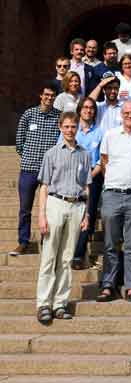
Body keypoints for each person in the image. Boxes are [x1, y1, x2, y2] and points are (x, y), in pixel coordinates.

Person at [93, 101, 131, 303]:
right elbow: (104, 160)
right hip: (112, 194)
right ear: (121, 114)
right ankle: (108, 285)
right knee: (110, 243)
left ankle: (130, 286)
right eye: (127, 112)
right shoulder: (110, 134)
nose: (130, 115)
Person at [34, 112, 91, 323]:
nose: (70, 130)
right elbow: (44, 187)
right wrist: (41, 215)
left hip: (76, 205)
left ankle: (60, 303)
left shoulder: (84, 154)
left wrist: (87, 213)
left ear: (77, 128)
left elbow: (87, 186)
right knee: (50, 256)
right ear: (60, 127)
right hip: (55, 203)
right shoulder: (51, 154)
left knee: (66, 258)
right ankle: (43, 303)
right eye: (66, 126)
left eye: (73, 126)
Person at [12, 84, 61, 256]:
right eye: (46, 95)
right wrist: (28, 155)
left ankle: (45, 241)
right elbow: (19, 141)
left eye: (52, 95)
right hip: (29, 169)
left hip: (50, 172)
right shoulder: (29, 114)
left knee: (48, 209)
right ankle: (23, 242)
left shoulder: (58, 117)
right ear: (41, 95)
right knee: (25, 208)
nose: (49, 98)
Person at [71, 97, 105, 270]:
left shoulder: (100, 133)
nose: (88, 110)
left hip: (92, 177)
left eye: (92, 108)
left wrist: (90, 177)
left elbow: (102, 159)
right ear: (79, 109)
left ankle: (78, 255)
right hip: (70, 177)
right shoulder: (71, 129)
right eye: (85, 107)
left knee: (88, 215)